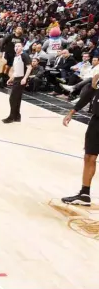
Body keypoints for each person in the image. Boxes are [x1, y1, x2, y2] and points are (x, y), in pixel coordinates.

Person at [61, 71, 99, 206]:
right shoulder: (98, 78)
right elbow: (88, 96)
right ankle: (84, 194)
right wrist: (72, 112)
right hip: (96, 121)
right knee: (89, 156)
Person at [3, 42, 32, 124]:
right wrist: (11, 78)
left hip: (21, 79)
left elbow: (29, 67)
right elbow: (16, 71)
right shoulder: (16, 57)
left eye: (19, 46)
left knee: (12, 98)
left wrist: (25, 78)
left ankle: (11, 117)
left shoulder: (24, 55)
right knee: (17, 98)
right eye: (15, 46)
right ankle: (17, 116)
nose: (17, 47)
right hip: (16, 78)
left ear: (22, 47)